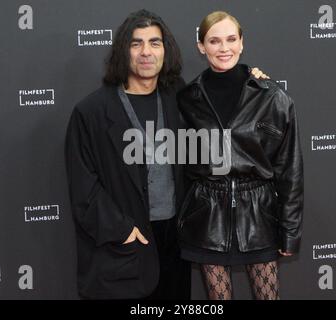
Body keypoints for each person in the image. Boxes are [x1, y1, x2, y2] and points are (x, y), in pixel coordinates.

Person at [65, 9, 269, 300]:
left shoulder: (179, 96)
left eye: (154, 43)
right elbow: (83, 186)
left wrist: (251, 80)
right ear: (123, 51)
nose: (146, 52)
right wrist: (122, 230)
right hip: (123, 247)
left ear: (166, 50)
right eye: (136, 43)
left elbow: (221, 106)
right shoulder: (91, 112)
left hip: (175, 243)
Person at [176, 11, 304, 300]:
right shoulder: (187, 98)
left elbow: (290, 171)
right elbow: (181, 163)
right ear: (201, 46)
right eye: (214, 41)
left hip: (259, 217)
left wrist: (290, 231)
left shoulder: (272, 97)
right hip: (207, 220)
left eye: (231, 39)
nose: (224, 48)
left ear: (242, 43)